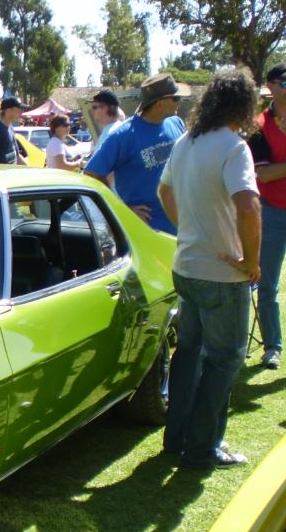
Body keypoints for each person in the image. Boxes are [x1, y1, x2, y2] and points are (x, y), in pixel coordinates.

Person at [157, 70, 261, 470]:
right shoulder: (234, 146)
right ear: (243, 105)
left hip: (187, 266)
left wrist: (188, 228)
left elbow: (164, 190)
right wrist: (250, 262)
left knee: (189, 354)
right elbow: (248, 206)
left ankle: (177, 439)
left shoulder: (186, 141)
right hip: (220, 273)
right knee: (224, 360)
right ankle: (203, 448)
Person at [84, 73, 188, 233]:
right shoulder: (123, 135)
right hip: (147, 234)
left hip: (183, 228)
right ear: (159, 103)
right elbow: (91, 174)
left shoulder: (177, 124)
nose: (180, 102)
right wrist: (122, 209)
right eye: (175, 98)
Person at [247, 63, 286, 371]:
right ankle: (272, 346)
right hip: (271, 213)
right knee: (268, 284)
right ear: (271, 86)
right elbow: (263, 174)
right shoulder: (259, 126)